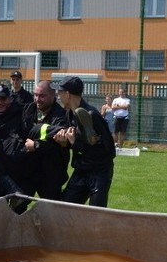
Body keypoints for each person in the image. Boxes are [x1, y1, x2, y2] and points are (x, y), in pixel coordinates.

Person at [55, 76, 115, 207]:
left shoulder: (92, 115)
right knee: (65, 208)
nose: (58, 97)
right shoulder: (69, 114)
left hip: (100, 171)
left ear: (67, 94)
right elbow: (76, 144)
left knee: (96, 214)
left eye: (59, 93)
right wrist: (65, 142)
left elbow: (108, 150)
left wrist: (75, 143)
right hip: (82, 169)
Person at [0, 83, 35, 205]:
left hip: (18, 170)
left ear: (9, 99)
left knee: (18, 212)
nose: (0, 102)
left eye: (3, 98)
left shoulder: (20, 111)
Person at [22, 80, 71, 200]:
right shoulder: (29, 109)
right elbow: (23, 133)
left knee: (52, 211)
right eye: (35, 95)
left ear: (53, 95)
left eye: (42, 95)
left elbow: (57, 145)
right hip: (29, 170)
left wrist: (36, 145)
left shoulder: (61, 115)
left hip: (51, 173)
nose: (37, 99)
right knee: (18, 206)